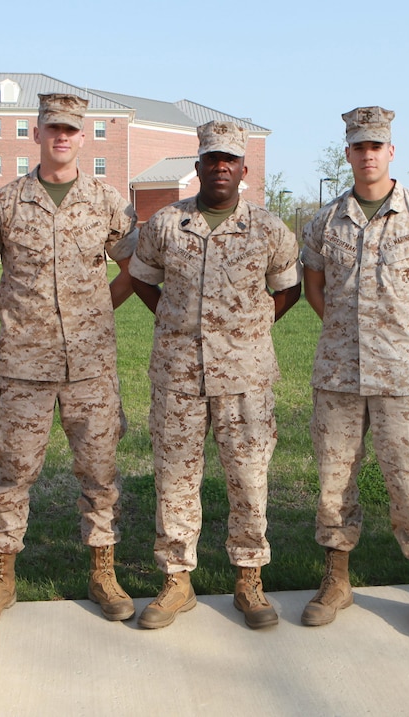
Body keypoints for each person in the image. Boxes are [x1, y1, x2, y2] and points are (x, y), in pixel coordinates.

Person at [0, 93, 138, 628]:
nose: (61, 137)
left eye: (71, 130)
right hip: (22, 370)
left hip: (90, 367)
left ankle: (103, 571)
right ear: (36, 133)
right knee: (12, 473)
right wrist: (12, 315)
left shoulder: (108, 204)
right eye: (52, 128)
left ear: (83, 138)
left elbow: (134, 269)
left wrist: (99, 309)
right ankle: (1, 577)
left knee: (100, 473)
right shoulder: (5, 203)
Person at [130, 120, 301, 630]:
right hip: (178, 376)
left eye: (230, 159)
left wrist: (250, 330)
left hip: (246, 379)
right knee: (176, 480)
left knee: (248, 478)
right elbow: (143, 280)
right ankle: (177, 580)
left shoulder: (269, 229)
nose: (220, 167)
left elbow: (287, 289)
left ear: (244, 169)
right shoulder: (164, 225)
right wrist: (175, 320)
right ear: (198, 166)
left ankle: (248, 578)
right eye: (211, 159)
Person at [299, 106, 409, 641]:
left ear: (391, 151)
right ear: (347, 153)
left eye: (376, 147)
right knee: (332, 483)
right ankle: (336, 580)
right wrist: (348, 335)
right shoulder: (325, 220)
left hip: (404, 378)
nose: (367, 156)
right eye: (358, 147)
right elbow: (315, 287)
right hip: (339, 377)